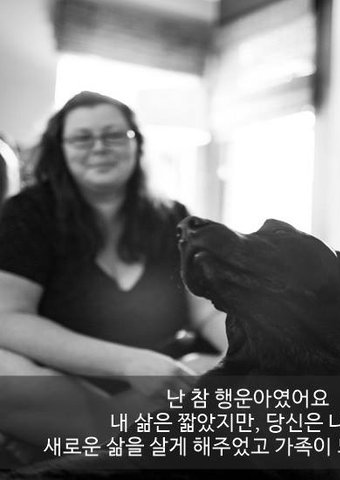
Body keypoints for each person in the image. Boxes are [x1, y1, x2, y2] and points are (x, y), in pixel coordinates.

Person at [0, 91, 226, 456]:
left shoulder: (172, 216)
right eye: (82, 138)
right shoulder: (27, 212)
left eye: (114, 135)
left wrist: (245, 353)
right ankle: (129, 437)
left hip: (166, 376)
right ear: (60, 149)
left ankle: (111, 441)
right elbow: (8, 317)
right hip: (63, 383)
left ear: (136, 143)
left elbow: (207, 310)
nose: (99, 147)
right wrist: (127, 363)